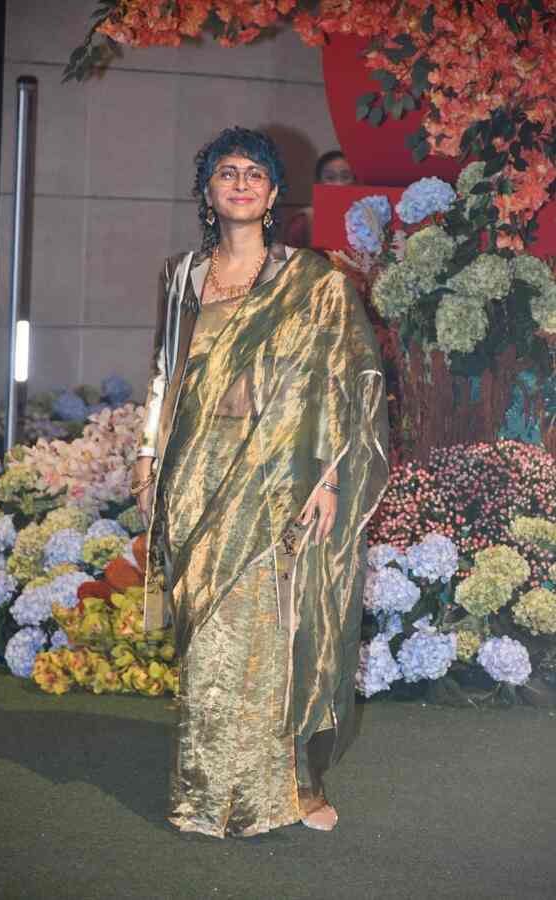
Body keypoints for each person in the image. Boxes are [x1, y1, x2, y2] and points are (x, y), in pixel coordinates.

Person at [133, 127, 387, 839]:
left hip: (279, 473)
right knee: (208, 632)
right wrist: (146, 461)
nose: (241, 183)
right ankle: (205, 791)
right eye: (226, 173)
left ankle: (288, 787)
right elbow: (165, 373)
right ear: (208, 194)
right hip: (195, 470)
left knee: (273, 629)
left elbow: (337, 383)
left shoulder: (312, 282)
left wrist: (329, 475)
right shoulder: (183, 276)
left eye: (255, 174)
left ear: (274, 195)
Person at [284, 150, 356, 249]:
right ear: (318, 182)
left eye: (346, 177)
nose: (339, 184)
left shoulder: (368, 219)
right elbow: (290, 261)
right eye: (330, 178)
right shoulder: (304, 221)